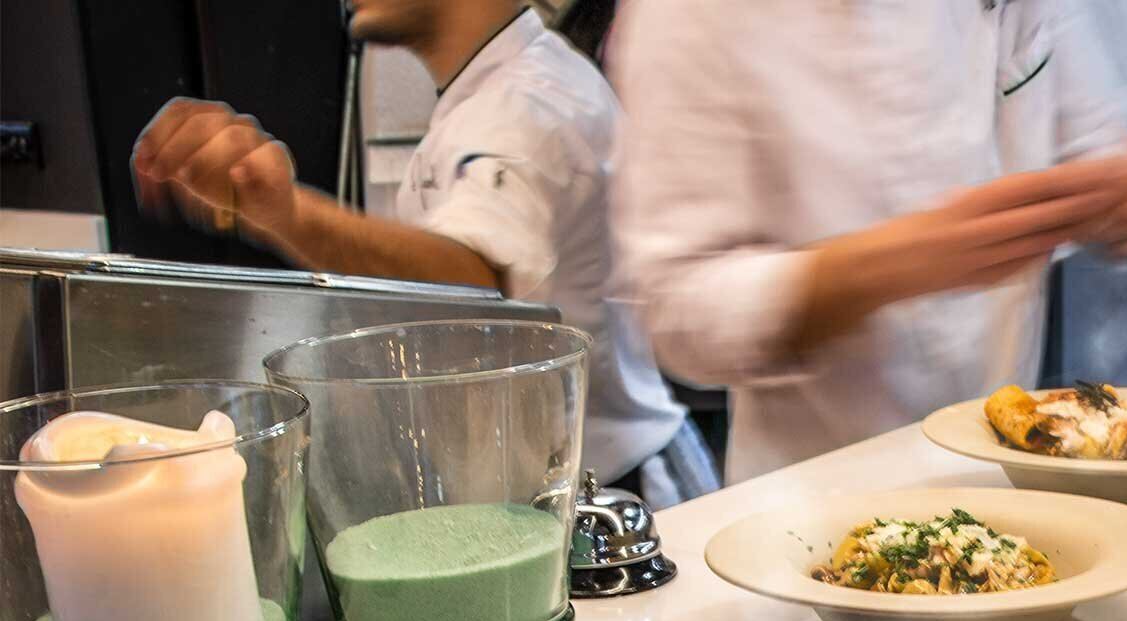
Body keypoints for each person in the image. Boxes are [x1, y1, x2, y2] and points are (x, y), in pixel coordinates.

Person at [129, 1, 718, 507]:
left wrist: (281, 210)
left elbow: (472, 284)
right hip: (573, 486)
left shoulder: (529, 103)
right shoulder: (499, 90)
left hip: (614, 497)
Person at [607, 0, 1127, 482]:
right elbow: (676, 307)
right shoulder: (687, 14)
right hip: (807, 506)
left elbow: (1091, 136)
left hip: (1009, 478)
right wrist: (889, 267)